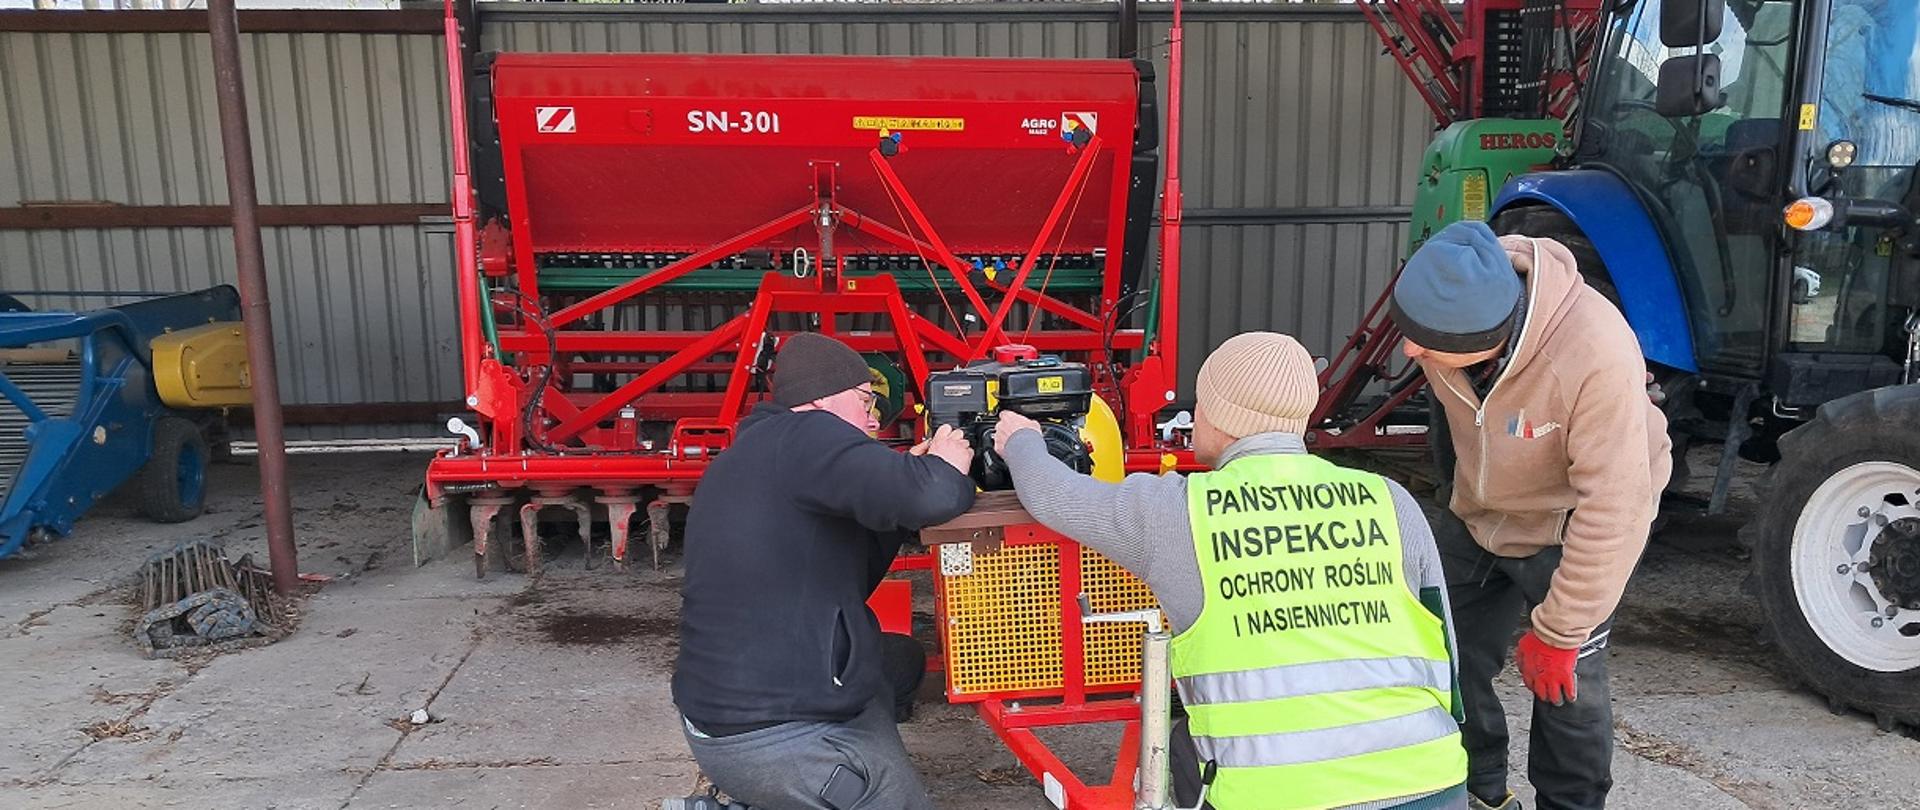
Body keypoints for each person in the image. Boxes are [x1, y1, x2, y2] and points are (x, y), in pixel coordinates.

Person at [993, 332, 1469, 810]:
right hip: (1431, 780)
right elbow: (1444, 646)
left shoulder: (1177, 513)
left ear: (1219, 416)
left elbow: (1052, 494)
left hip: (1281, 798)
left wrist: (1021, 441)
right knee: (1185, 746)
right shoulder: (1389, 499)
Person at [1389, 221, 1671, 810]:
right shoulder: (1448, 320)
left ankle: (1571, 804)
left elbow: (1615, 505)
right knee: (1441, 655)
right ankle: (1479, 791)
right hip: (1480, 512)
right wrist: (1457, 496)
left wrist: (1561, 633)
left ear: (1486, 337)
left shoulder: (1594, 354)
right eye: (1408, 333)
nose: (1411, 352)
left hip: (1573, 521)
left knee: (1567, 686)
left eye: (1425, 342)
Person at [671, 332, 977, 810]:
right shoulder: (808, 433)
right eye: (866, 400)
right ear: (821, 400)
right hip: (770, 738)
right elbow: (935, 497)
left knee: (898, 661)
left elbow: (849, 569)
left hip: (727, 717)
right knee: (900, 802)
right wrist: (945, 467)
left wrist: (902, 482)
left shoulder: (760, 451)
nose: (873, 419)